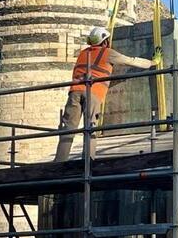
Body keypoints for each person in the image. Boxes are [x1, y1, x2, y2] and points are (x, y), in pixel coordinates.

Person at [54, 26, 155, 162]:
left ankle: (59, 162)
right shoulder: (108, 53)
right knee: (90, 128)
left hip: (74, 93)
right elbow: (131, 60)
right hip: (93, 94)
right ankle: (88, 163)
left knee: (68, 129)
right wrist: (153, 62)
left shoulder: (83, 53)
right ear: (105, 41)